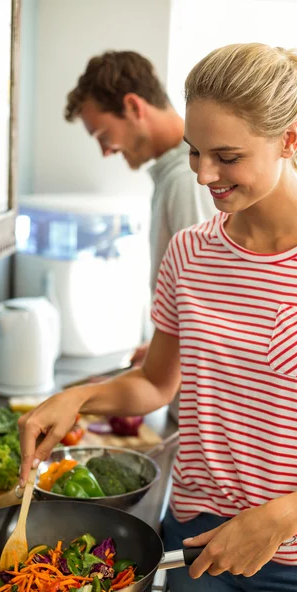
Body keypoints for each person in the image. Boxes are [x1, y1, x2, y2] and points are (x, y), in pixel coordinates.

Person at [19, 42, 297, 592]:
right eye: (194, 152)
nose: (203, 175)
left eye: (227, 156)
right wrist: (79, 398)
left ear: (288, 138)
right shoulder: (189, 251)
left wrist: (281, 518)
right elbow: (156, 383)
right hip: (195, 541)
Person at [64, 50, 216, 365]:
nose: (105, 152)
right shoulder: (174, 175)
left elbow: (206, 297)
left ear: (133, 106)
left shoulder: (189, 179)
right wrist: (162, 345)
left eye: (103, 135)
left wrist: (166, 358)